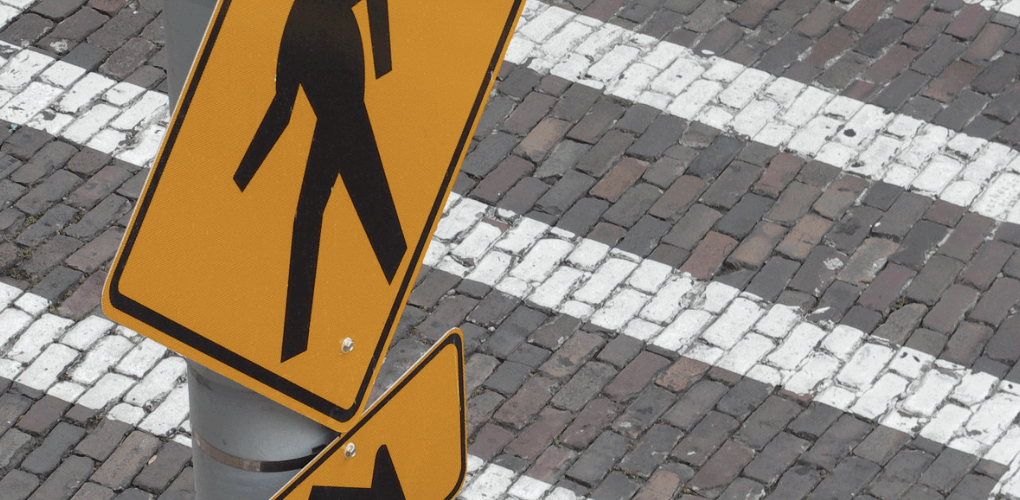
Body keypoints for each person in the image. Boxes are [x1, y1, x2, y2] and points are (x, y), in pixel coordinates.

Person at [233, 0, 406, 362]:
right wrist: (239, 179)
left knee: (330, 218)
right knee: (357, 223)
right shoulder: (297, 21)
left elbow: (282, 108)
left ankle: (294, 347)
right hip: (338, 120)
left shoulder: (301, 19)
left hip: (345, 117)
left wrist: (385, 63)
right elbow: (282, 108)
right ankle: (294, 349)